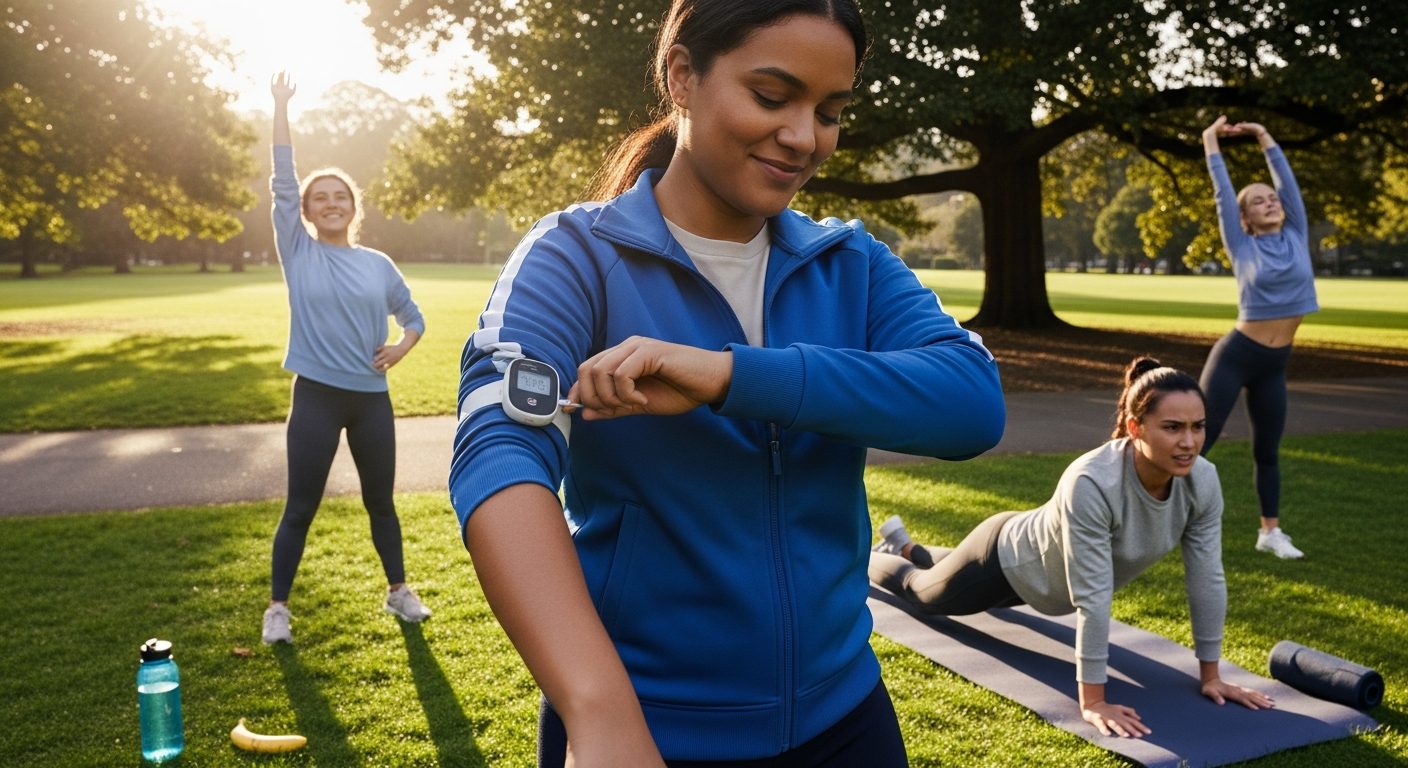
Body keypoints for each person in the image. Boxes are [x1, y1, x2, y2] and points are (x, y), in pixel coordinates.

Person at [448, 2, 1006, 765]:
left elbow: (971, 403)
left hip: (845, 718)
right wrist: (599, 710)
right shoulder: (572, 256)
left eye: (830, 111)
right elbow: (499, 454)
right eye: (772, 97)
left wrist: (728, 376)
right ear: (681, 75)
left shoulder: (854, 262)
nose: (805, 137)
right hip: (643, 728)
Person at [869, 357, 1275, 740]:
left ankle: (906, 545)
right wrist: (1094, 701)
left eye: (1198, 427)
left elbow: (1207, 576)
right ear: (1135, 428)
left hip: (1044, 573)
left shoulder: (1202, 480)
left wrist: (1212, 676)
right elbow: (1094, 595)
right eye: (1172, 428)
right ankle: (869, 557)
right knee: (922, 594)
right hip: (1006, 560)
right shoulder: (1093, 482)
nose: (1189, 442)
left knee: (942, 573)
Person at [262, 71, 431, 645]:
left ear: (352, 207)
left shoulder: (378, 264)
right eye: (320, 198)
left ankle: (398, 593)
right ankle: (278, 609)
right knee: (300, 506)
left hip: (370, 400)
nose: (330, 205)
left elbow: (414, 316)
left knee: (381, 502)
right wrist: (282, 107)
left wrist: (401, 347)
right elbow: (282, 181)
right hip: (315, 394)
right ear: (306, 211)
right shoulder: (298, 251)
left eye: (340, 197)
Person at [1198, 115, 1317, 559]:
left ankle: (1270, 532)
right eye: (1258, 201)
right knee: (1199, 442)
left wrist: (1264, 135)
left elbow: (1286, 181)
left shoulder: (1296, 234)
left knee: (1267, 450)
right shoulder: (1242, 243)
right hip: (1238, 355)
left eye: (1272, 198)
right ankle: (1148, 513)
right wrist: (1212, 139)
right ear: (1244, 217)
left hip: (1276, 363)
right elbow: (1222, 192)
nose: (1270, 202)